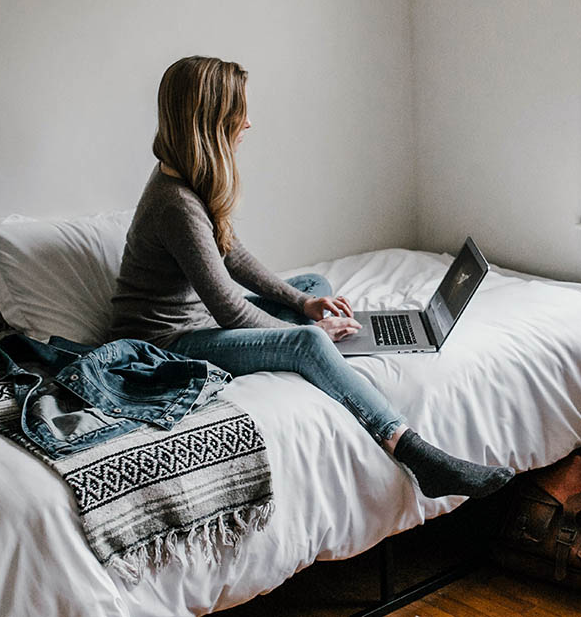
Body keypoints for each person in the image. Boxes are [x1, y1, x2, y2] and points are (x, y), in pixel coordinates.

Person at [107, 55, 513, 499]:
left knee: (312, 288)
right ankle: (415, 453)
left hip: (197, 322)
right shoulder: (176, 205)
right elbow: (227, 306)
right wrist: (307, 331)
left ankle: (315, 342)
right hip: (164, 346)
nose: (248, 123)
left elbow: (233, 255)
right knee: (308, 342)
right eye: (238, 112)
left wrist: (301, 306)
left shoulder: (186, 178)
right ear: (212, 121)